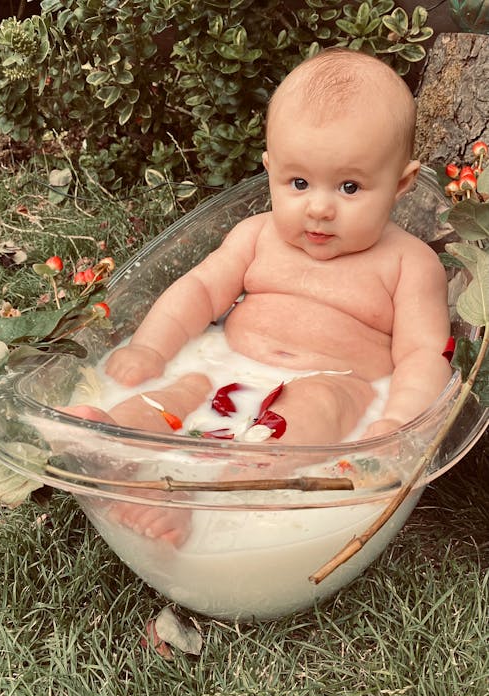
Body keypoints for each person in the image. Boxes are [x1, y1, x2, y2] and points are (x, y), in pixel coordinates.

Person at [65, 48, 452, 543]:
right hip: (226, 364)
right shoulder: (256, 236)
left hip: (338, 382)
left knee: (307, 411)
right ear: (269, 169)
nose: (319, 208)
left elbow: (424, 353)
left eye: (350, 187)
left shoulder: (409, 264)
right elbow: (200, 292)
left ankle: (198, 498)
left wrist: (399, 423)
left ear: (401, 185)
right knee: (178, 392)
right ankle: (111, 440)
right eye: (297, 182)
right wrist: (151, 348)